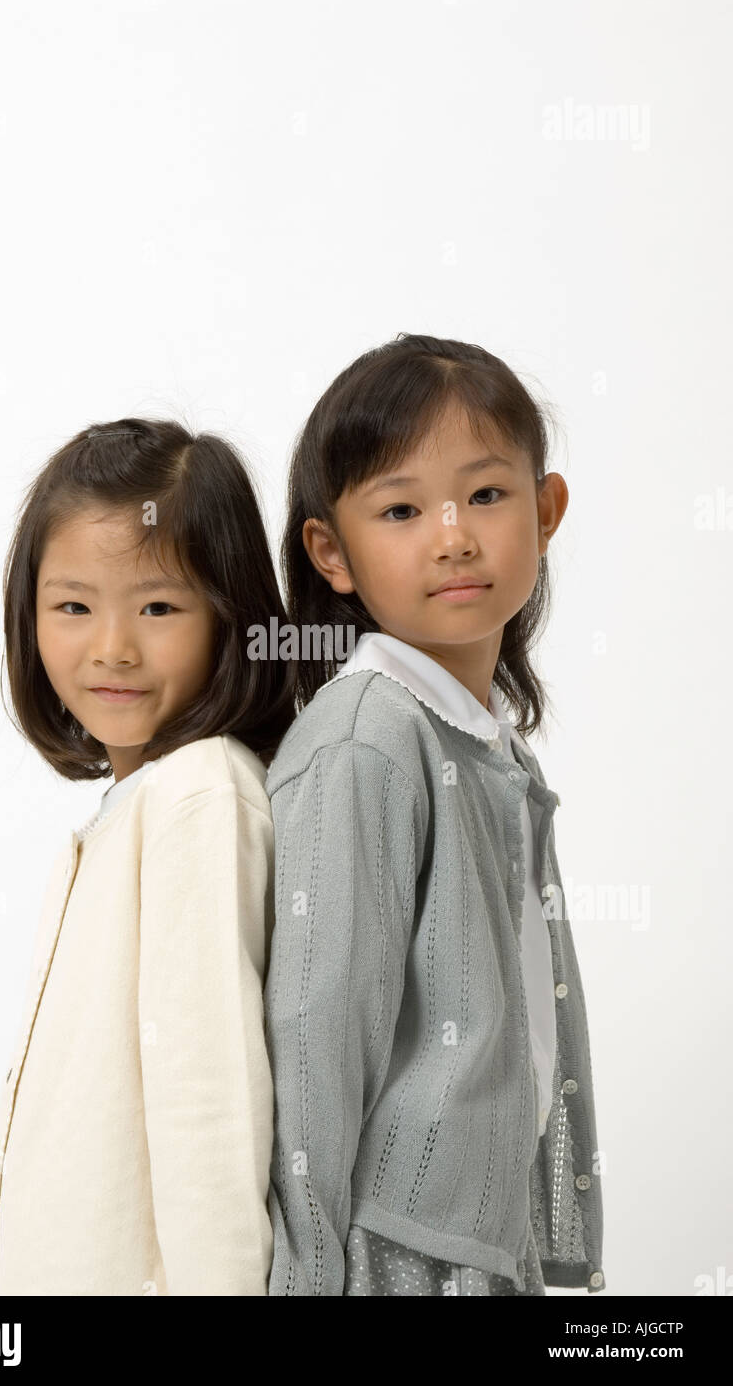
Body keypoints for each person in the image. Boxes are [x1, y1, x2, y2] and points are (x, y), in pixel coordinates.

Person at [262, 334, 605, 1296]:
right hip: (397, 1257)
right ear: (329, 551)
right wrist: (308, 1279)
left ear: (545, 513)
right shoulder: (369, 742)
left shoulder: (489, 744)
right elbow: (316, 1035)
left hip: (483, 1250)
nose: (451, 535)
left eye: (487, 496)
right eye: (402, 508)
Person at [0, 417, 295, 1295]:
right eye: (74, 606)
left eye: (158, 607)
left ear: (229, 618)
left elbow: (212, 1107)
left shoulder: (199, 794)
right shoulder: (129, 811)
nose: (112, 648)